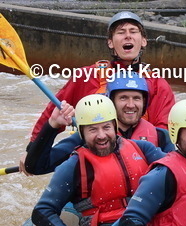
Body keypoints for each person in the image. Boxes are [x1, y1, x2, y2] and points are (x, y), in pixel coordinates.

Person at [30, 94, 168, 226]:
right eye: (93, 130)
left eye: (106, 127)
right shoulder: (73, 166)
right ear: (82, 133)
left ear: (115, 126)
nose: (102, 135)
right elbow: (41, 212)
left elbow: (178, 171)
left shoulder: (142, 149)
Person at [26, 11, 175, 145]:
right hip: (96, 150)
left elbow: (163, 130)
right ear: (110, 42)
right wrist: (33, 147)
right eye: (121, 32)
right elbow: (55, 111)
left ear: (143, 41)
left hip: (139, 153)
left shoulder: (157, 84)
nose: (127, 35)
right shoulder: (86, 76)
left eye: (133, 31)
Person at [24, 73, 173, 176]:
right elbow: (36, 167)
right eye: (123, 98)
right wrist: (52, 125)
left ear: (144, 103)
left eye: (136, 98)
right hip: (95, 215)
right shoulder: (92, 136)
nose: (130, 104)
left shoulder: (161, 137)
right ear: (111, 101)